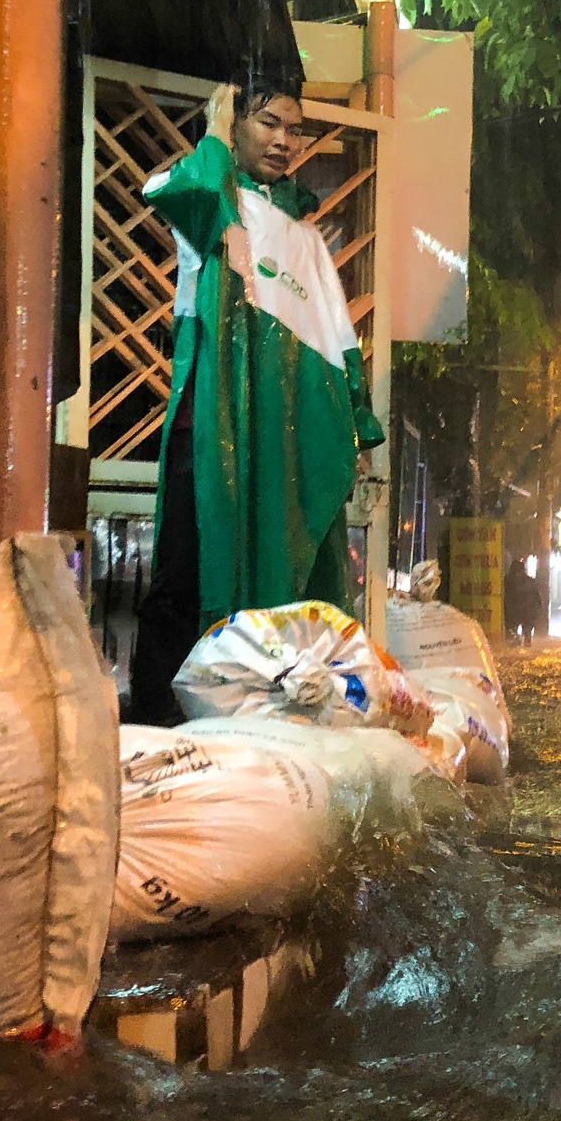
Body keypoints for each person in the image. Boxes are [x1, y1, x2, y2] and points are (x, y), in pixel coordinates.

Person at [127, 77, 383, 725]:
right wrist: (211, 128)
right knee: (186, 571)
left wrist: (357, 429)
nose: (284, 141)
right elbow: (180, 190)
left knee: (283, 569)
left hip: (278, 442)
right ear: (235, 126)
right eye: (267, 122)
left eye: (294, 130)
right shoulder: (211, 200)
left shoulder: (303, 239)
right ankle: (160, 720)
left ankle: (265, 711)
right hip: (206, 427)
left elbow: (336, 339)